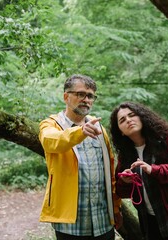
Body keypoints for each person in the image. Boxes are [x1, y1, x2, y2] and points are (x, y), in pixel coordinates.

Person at [38, 74, 122, 240]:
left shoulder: (99, 128)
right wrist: (80, 131)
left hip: (102, 220)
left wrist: (116, 207)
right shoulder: (50, 124)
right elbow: (50, 141)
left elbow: (109, 171)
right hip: (71, 224)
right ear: (66, 96)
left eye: (90, 96)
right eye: (80, 94)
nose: (86, 99)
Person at [109, 102, 168, 240]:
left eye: (132, 115)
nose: (128, 120)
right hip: (150, 218)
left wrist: (153, 170)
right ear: (121, 132)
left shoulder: (165, 139)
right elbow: (122, 192)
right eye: (122, 120)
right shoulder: (126, 155)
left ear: (142, 117)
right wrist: (125, 181)